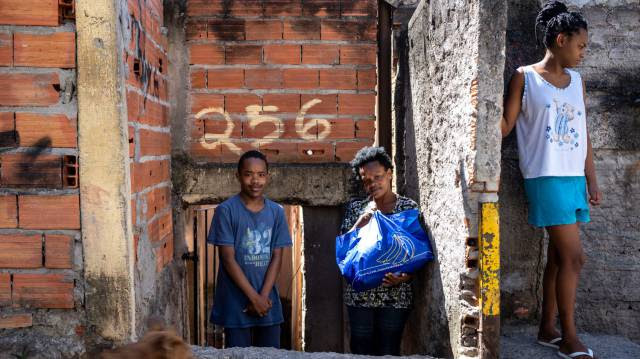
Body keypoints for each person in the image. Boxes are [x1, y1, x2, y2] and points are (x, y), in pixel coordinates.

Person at [501, 2, 602, 358]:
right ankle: (569, 338)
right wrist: (478, 108)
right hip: (545, 178)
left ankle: (547, 327)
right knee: (576, 259)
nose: (584, 52)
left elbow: (583, 132)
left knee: (559, 258)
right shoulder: (524, 77)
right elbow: (505, 126)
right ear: (561, 39)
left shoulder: (577, 81)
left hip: (573, 177)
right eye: (581, 45)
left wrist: (591, 179)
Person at [340, 146, 423, 356]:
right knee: (360, 348)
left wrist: (405, 277)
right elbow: (344, 251)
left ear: (389, 174)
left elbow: (419, 251)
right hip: (360, 296)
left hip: (396, 295)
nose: (372, 184)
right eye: (366, 180)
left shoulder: (407, 208)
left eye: (377, 176)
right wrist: (361, 222)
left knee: (389, 349)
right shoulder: (356, 209)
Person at [207, 150, 292, 348]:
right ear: (238, 176)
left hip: (267, 303)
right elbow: (228, 259)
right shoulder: (226, 211)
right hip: (237, 303)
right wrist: (253, 298)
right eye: (248, 174)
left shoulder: (276, 212)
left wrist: (262, 298)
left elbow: (277, 257)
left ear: (267, 177)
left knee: (271, 353)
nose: (255, 181)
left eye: (261, 175)